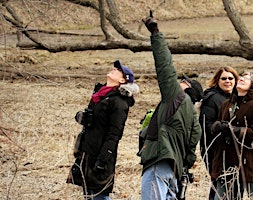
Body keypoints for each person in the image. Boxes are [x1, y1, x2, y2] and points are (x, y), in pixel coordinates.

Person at [139, 11, 203, 200]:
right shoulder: (194, 119)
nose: (179, 82)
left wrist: (155, 32)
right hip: (174, 172)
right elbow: (190, 155)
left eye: (183, 81)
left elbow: (165, 66)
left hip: (159, 164)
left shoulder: (176, 96)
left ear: (187, 88)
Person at [67, 60, 139, 200]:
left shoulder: (119, 102)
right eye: (115, 67)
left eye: (118, 70)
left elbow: (114, 134)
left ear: (123, 80)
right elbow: (95, 121)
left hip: (100, 156)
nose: (114, 69)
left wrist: (102, 160)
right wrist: (82, 117)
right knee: (88, 194)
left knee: (99, 196)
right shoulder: (100, 94)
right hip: (88, 152)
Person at [210, 72, 253, 200]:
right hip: (225, 159)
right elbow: (216, 124)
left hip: (246, 159)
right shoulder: (226, 104)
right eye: (241, 77)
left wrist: (237, 131)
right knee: (222, 196)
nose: (241, 79)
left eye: (246, 78)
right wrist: (217, 127)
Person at [199, 66, 239, 199]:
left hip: (229, 150)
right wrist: (223, 128)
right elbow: (206, 125)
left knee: (226, 186)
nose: (227, 81)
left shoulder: (234, 98)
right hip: (214, 149)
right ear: (217, 80)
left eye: (230, 78)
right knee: (221, 184)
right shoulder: (212, 98)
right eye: (224, 78)